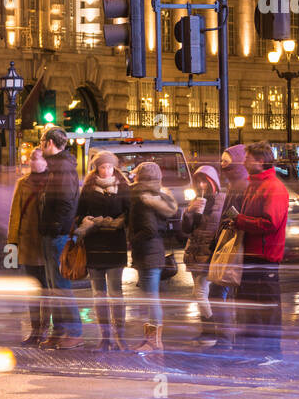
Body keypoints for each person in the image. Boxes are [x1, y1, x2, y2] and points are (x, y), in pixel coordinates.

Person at [222, 141, 288, 363]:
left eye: (248, 158)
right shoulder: (254, 185)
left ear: (260, 161)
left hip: (265, 257)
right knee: (251, 307)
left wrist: (240, 220)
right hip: (251, 256)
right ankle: (252, 351)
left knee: (266, 308)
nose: (244, 162)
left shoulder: (273, 187)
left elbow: (269, 223)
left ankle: (270, 351)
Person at [75, 151, 130, 351]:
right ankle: (105, 337)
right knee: (98, 293)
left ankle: (120, 337)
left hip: (115, 245)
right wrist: (88, 221)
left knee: (116, 292)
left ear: (114, 167)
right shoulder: (88, 189)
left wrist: (119, 222)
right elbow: (79, 213)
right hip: (94, 244)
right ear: (96, 167)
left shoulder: (123, 187)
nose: (106, 170)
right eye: (102, 166)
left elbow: (129, 212)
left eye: (109, 166)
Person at [126, 161, 179, 354]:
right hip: (153, 251)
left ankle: (154, 341)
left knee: (151, 299)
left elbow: (148, 228)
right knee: (150, 298)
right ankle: (149, 339)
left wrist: (131, 239)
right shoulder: (157, 196)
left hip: (148, 252)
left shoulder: (142, 198)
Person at [36, 127, 82, 349]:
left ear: (50, 143)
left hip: (57, 234)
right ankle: (60, 330)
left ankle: (73, 331)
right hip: (52, 233)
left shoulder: (62, 167)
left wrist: (53, 228)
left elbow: (65, 202)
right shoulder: (56, 167)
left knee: (61, 286)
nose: (39, 145)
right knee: (53, 286)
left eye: (42, 141)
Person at [208, 145, 251, 352]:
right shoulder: (233, 185)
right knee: (220, 292)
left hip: (238, 248)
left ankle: (229, 340)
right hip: (227, 245)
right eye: (222, 161)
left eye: (226, 161)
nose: (222, 165)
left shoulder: (244, 186)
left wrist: (233, 221)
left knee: (224, 292)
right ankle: (228, 339)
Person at [6, 146, 49, 345]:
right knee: (33, 289)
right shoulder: (22, 183)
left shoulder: (53, 181)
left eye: (38, 158)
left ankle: (46, 329)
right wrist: (12, 243)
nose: (34, 162)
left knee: (48, 290)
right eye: (32, 158)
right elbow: (15, 215)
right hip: (29, 244)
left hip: (47, 244)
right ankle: (35, 329)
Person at [181, 164, 223, 346]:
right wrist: (189, 212)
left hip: (210, 251)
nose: (202, 185)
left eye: (205, 181)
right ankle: (207, 331)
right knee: (199, 292)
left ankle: (212, 329)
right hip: (194, 251)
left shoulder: (222, 199)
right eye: (198, 181)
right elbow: (185, 230)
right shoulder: (197, 199)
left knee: (200, 292)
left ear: (213, 182)